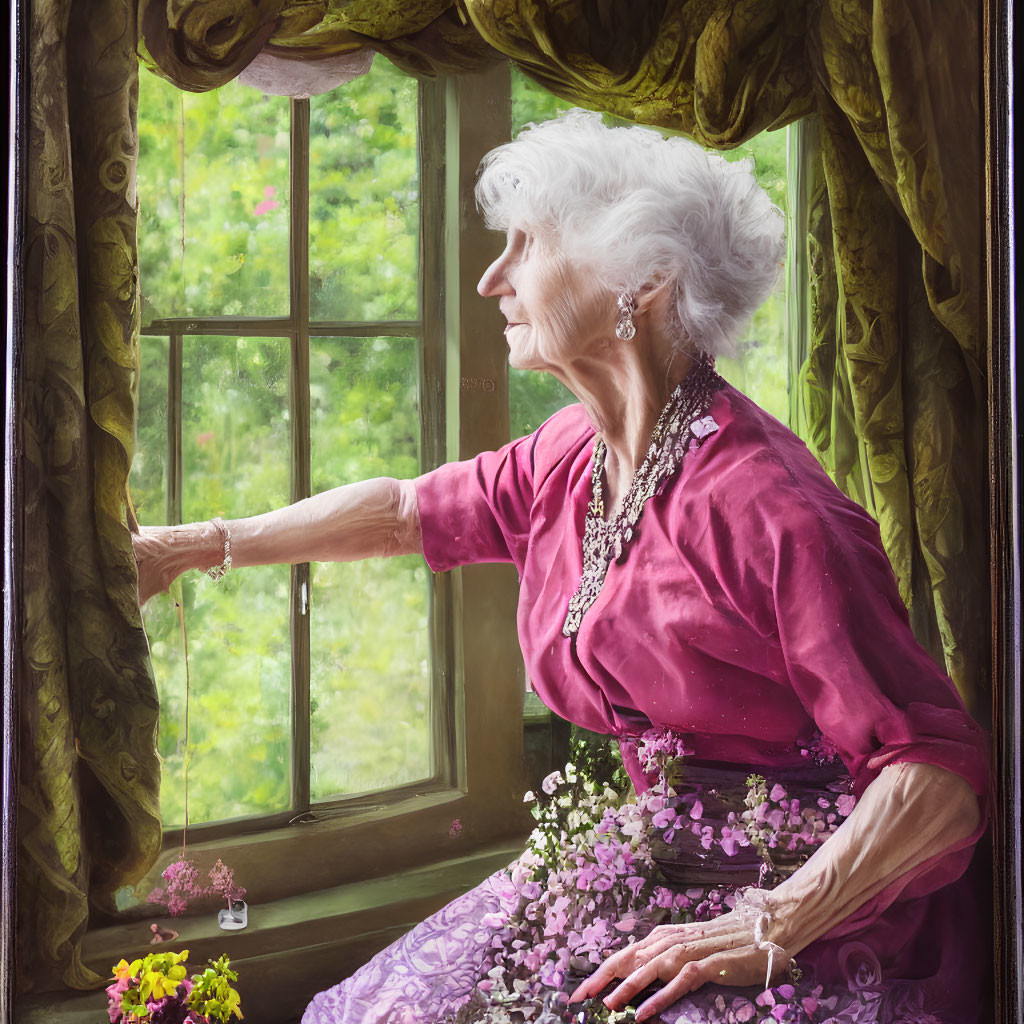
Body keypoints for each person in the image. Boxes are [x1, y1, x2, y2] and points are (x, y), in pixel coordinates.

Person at [133, 112, 988, 1024]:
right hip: (651, 869)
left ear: (645, 281)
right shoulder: (571, 454)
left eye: (527, 245)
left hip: (809, 914)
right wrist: (183, 549)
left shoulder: (771, 510)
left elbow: (937, 779)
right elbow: (402, 514)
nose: (491, 278)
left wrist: (770, 925)